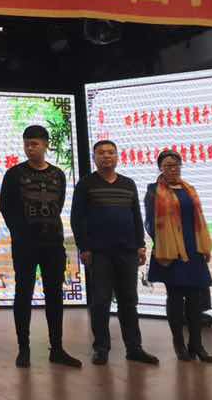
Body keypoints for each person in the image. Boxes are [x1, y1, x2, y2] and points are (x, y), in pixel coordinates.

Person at [0, 125, 81, 369]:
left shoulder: (58, 175)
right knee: (23, 293)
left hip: (53, 243)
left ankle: (57, 348)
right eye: (27, 144)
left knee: (54, 294)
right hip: (25, 244)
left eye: (34, 144)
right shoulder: (14, 174)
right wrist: (20, 232)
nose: (30, 148)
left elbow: (59, 203)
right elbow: (6, 207)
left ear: (46, 145)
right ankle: (23, 349)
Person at [71, 140, 158, 366]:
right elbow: (76, 219)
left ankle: (134, 348)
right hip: (99, 253)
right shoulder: (86, 184)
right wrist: (84, 247)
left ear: (117, 157)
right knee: (100, 302)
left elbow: (136, 216)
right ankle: (101, 348)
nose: (106, 156)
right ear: (94, 157)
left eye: (111, 152)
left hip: (127, 251)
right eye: (101, 153)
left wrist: (140, 244)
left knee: (129, 301)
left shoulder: (128, 184)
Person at [144, 150, 212, 363]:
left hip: (193, 249)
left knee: (195, 299)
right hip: (170, 250)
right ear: (160, 168)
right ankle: (179, 344)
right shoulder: (153, 190)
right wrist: (168, 242)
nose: (173, 169)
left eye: (176, 165)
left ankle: (197, 345)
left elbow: (199, 219)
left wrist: (204, 246)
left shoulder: (188, 189)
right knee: (175, 298)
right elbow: (151, 223)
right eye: (168, 165)